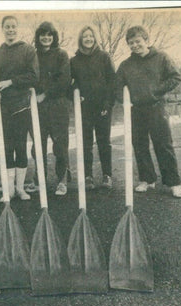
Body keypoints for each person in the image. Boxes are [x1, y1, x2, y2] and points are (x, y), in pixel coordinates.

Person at [115, 25, 181, 198]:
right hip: (136, 110)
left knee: (163, 145)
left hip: (156, 108)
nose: (135, 45)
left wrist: (156, 90)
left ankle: (173, 183)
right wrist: (125, 100)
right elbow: (116, 87)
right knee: (139, 145)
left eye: (138, 41)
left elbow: (175, 77)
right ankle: (147, 179)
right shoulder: (126, 65)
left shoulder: (161, 58)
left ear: (146, 40)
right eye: (131, 43)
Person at [0, 15, 39, 201]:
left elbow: (33, 76)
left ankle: (20, 188)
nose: (11, 30)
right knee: (6, 149)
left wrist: (11, 82)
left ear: (17, 28)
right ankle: (9, 190)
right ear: (2, 29)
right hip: (2, 109)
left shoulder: (28, 50)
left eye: (13, 27)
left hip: (22, 106)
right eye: (7, 27)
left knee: (20, 147)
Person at [70, 25, 115, 190]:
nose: (88, 39)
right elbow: (69, 84)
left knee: (104, 142)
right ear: (81, 40)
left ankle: (107, 175)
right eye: (85, 37)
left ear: (95, 38)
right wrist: (75, 95)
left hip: (103, 107)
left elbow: (113, 82)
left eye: (91, 36)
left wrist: (107, 104)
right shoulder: (74, 60)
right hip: (84, 108)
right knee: (85, 143)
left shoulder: (104, 56)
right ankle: (88, 176)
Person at [31, 21, 71, 196]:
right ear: (38, 37)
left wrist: (45, 94)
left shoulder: (61, 55)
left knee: (60, 145)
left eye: (49, 35)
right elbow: (30, 77)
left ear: (54, 37)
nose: (46, 38)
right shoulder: (32, 55)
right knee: (37, 145)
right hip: (37, 107)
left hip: (57, 105)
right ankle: (39, 179)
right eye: (43, 35)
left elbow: (64, 80)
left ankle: (62, 179)